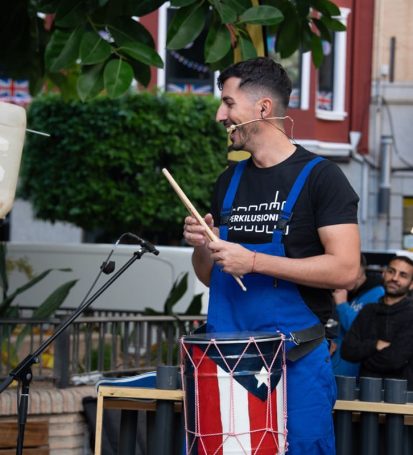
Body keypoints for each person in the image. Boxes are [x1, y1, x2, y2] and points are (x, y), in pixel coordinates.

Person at [183, 57, 360, 454]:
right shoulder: (227, 182)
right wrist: (202, 245)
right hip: (227, 365)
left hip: (296, 363)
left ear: (263, 108)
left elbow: (346, 270)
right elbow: (211, 276)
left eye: (229, 103)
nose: (219, 115)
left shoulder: (322, 178)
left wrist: (254, 261)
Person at [341, 255, 413, 389]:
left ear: (411, 284)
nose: (395, 278)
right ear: (384, 274)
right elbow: (347, 350)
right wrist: (374, 345)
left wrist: (363, 356)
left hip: (401, 395)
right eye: (391, 271)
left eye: (403, 275)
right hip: (366, 391)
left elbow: (394, 360)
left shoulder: (410, 315)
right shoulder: (368, 311)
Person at [331, 254, 384, 376]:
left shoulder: (377, 294)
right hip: (336, 366)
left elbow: (362, 331)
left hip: (352, 373)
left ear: (359, 270)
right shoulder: (351, 293)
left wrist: (342, 304)